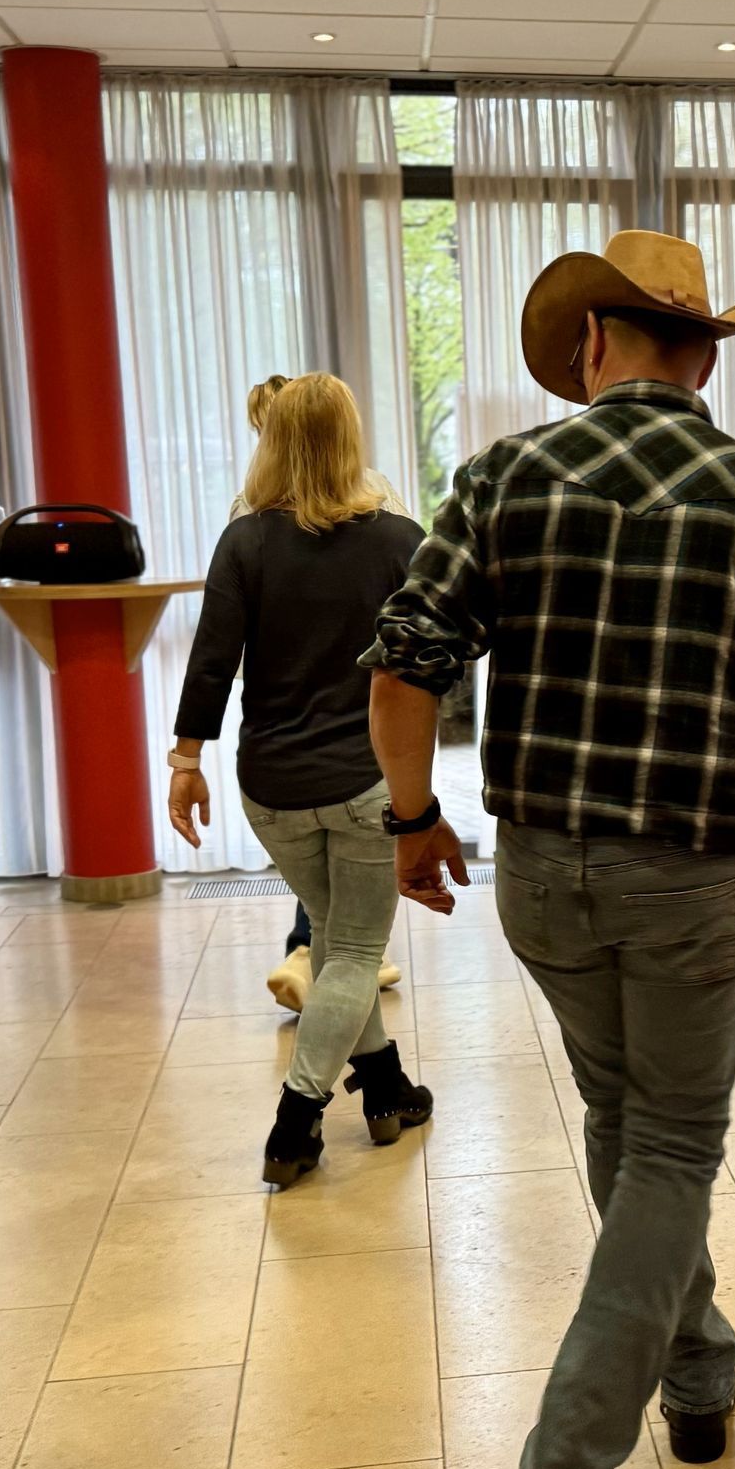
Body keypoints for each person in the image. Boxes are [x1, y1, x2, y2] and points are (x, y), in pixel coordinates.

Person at [363, 230, 735, 1469]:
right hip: (690, 874)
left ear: (589, 345)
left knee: (625, 1118)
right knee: (673, 1142)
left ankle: (700, 1366)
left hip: (541, 874)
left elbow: (403, 668)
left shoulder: (504, 477)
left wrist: (412, 820)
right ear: (706, 358)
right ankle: (567, 1466)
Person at [169, 373, 432, 1188]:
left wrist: (185, 761)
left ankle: (386, 1089)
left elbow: (212, 661)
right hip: (367, 782)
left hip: (272, 787)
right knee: (351, 950)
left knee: (333, 936)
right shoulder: (400, 539)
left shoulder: (244, 541)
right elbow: (434, 664)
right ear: (352, 437)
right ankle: (296, 1121)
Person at [235, 375, 403, 1016]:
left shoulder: (248, 516)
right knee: (348, 900)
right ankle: (324, 957)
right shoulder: (378, 497)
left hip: (283, 714)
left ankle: (322, 954)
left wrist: (186, 757)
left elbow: (230, 628)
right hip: (361, 705)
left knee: (326, 872)